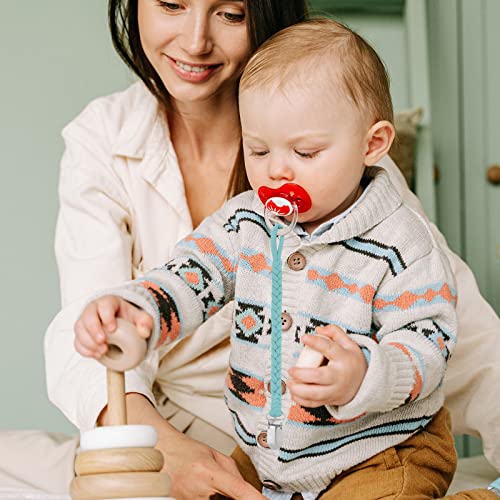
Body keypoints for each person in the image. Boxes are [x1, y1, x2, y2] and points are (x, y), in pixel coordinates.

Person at [0, 0, 493, 498]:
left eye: (230, 14)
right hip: (247, 442)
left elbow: (452, 337)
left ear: (371, 146)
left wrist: (365, 372)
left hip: (372, 446)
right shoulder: (244, 214)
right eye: (172, 3)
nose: (195, 42)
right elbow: (187, 276)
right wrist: (133, 312)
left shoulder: (371, 195)